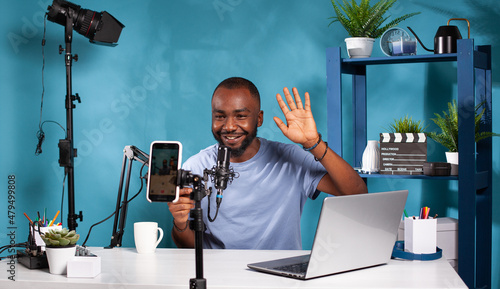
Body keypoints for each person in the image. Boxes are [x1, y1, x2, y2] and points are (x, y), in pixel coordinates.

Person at [167, 77, 367, 249]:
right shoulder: (195, 166)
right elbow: (185, 245)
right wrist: (180, 223)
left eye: (241, 116)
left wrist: (313, 143)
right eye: (220, 117)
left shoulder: (291, 158)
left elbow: (357, 194)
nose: (228, 126)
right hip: (219, 276)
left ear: (259, 119)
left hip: (281, 277)